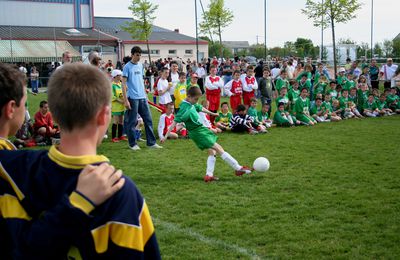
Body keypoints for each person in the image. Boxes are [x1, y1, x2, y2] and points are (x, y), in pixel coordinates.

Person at [0, 62, 134, 258]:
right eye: (25, 102)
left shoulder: (22, 164)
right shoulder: (16, 168)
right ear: (11, 108)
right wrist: (78, 205)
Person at [161, 87, 252, 182]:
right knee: (218, 148)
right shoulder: (184, 107)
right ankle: (238, 168)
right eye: (195, 99)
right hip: (197, 132)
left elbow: (200, 108)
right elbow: (174, 122)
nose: (196, 101)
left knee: (212, 151)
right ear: (188, 96)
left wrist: (212, 113)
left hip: (201, 129)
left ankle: (209, 175)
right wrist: (166, 136)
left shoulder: (191, 103)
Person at [122, 46, 162, 150]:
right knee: (132, 122)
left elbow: (140, 80)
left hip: (143, 97)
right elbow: (123, 84)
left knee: (148, 120)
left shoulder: (140, 65)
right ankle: (132, 144)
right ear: (132, 55)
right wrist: (126, 100)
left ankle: (151, 143)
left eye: (140, 55)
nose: (139, 57)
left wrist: (145, 93)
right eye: (137, 55)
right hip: (133, 98)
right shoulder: (127, 67)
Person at [110, 69, 126, 143]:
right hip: (116, 106)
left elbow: (125, 91)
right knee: (115, 121)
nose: (121, 76)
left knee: (121, 121)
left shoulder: (121, 83)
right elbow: (113, 97)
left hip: (122, 106)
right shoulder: (112, 85)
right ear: (116, 76)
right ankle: (113, 137)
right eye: (120, 75)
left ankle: (120, 136)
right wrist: (122, 101)